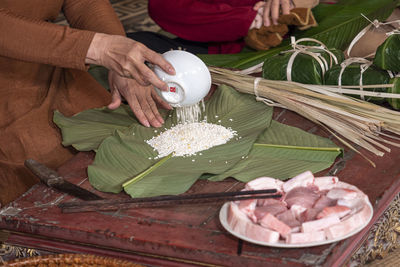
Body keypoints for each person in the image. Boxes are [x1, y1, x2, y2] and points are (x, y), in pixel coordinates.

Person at [0, 0, 175, 205]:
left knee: (123, 136)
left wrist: (120, 57)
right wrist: (97, 48)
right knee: (42, 163)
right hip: (9, 84)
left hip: (48, 58)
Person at [129, 0, 318, 54]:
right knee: (134, 44)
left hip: (288, 30)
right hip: (214, 42)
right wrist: (248, 19)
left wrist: (292, 3)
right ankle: (258, 22)